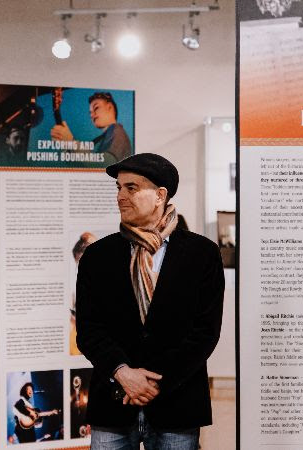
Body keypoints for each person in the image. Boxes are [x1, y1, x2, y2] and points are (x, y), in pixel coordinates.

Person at [75, 153, 225, 449]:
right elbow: (89, 330)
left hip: (177, 403)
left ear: (160, 195)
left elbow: (205, 332)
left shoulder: (202, 254)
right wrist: (123, 373)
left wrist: (153, 382)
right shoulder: (97, 256)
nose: (120, 196)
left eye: (131, 188)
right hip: (113, 402)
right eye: (118, 188)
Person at [50, 92, 132, 162]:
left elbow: (107, 164)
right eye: (90, 113)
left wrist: (71, 142)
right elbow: (83, 165)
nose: (92, 115)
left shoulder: (117, 131)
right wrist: (65, 146)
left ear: (109, 107)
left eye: (96, 108)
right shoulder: (102, 139)